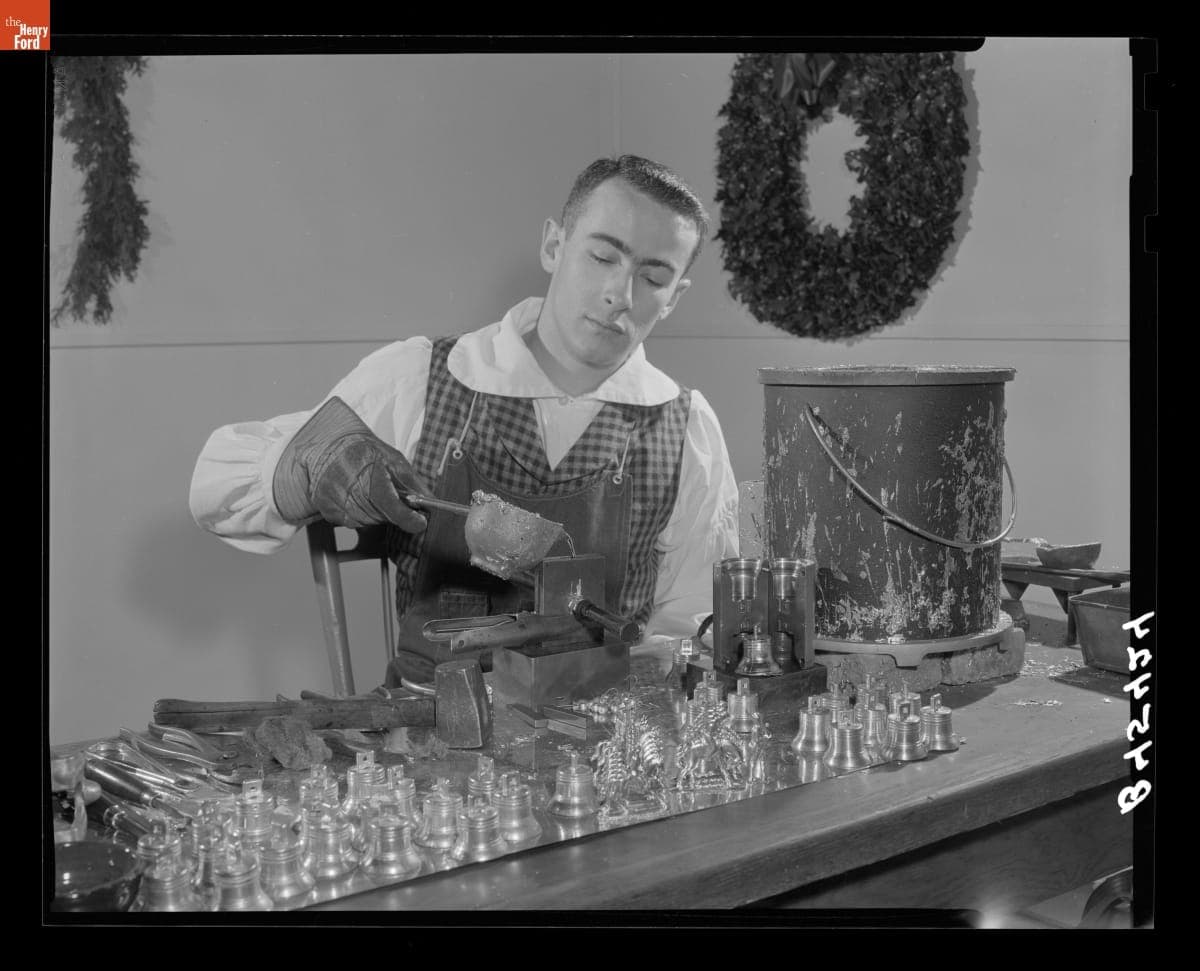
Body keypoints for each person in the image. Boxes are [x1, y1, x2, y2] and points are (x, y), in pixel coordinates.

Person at [190, 154, 739, 685]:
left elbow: (688, 626)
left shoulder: (684, 429)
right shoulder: (423, 379)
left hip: (597, 745)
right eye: (602, 257)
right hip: (423, 735)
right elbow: (215, 489)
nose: (620, 294)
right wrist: (312, 467)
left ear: (674, 298)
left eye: (653, 277)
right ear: (554, 244)